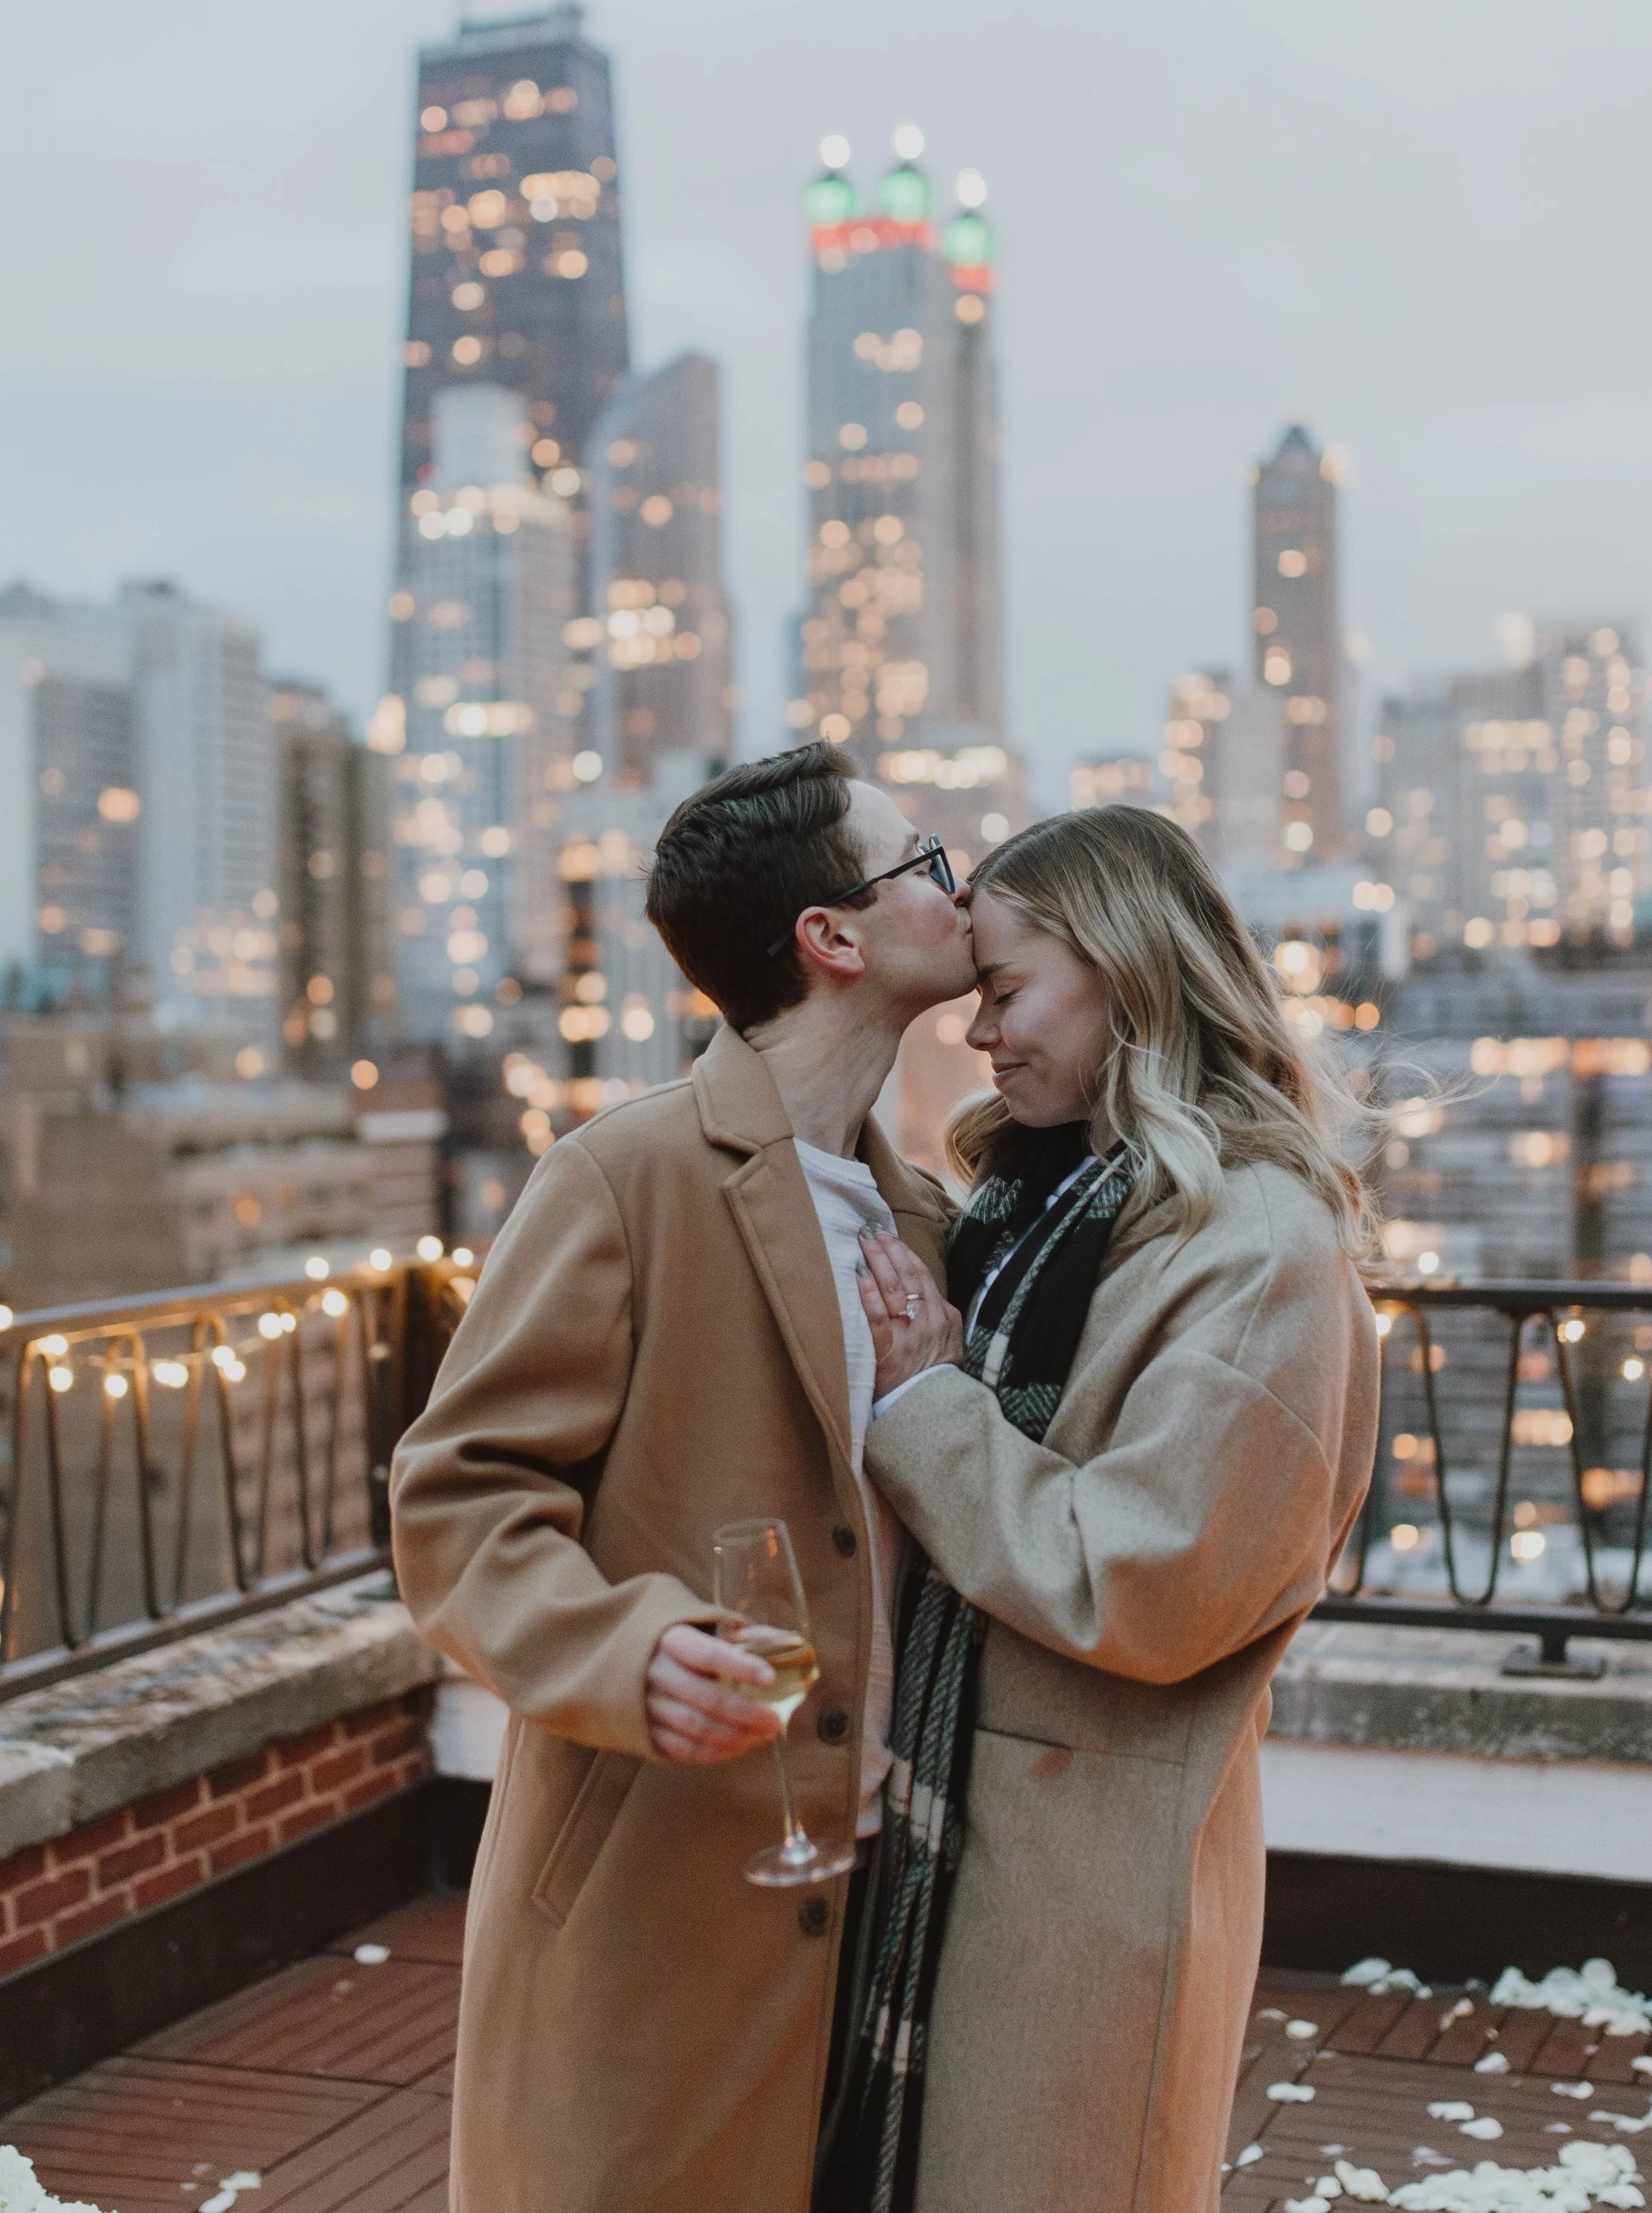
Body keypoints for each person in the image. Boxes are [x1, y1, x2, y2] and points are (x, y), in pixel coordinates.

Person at [388, 744, 975, 2213]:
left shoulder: (928, 1213)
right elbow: (457, 1500)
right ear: (830, 937)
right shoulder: (623, 1175)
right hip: (654, 1888)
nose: (958, 889)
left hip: (876, 1899)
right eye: (926, 863)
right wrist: (624, 1645)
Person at [817, 803, 1381, 2213]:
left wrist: (924, 1405)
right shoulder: (1037, 1202)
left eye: (1005, 992)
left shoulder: (1257, 1250)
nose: (982, 1035)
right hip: (983, 1846)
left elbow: (1147, 1580)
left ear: (1128, 965)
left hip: (1087, 1877)